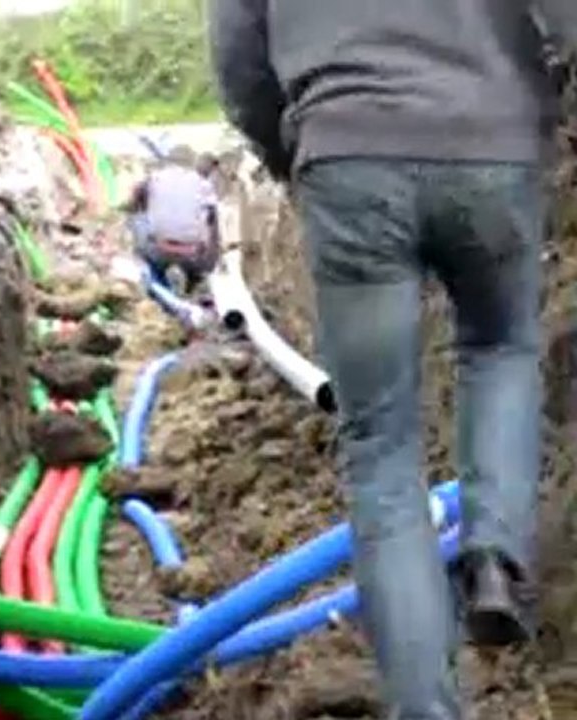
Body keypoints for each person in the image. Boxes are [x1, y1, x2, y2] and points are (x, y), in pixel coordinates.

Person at [209, 1, 576, 718]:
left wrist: (292, 152)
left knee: (382, 454)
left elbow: (237, 53)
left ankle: (424, 708)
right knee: (500, 348)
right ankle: (495, 554)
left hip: (347, 156)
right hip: (494, 144)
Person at [122, 145, 220, 295]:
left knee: (136, 220)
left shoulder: (152, 179)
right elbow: (213, 220)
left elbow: (131, 206)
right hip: (194, 256)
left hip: (158, 251)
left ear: (168, 161)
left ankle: (159, 275)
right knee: (212, 224)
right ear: (192, 163)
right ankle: (193, 279)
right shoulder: (204, 184)